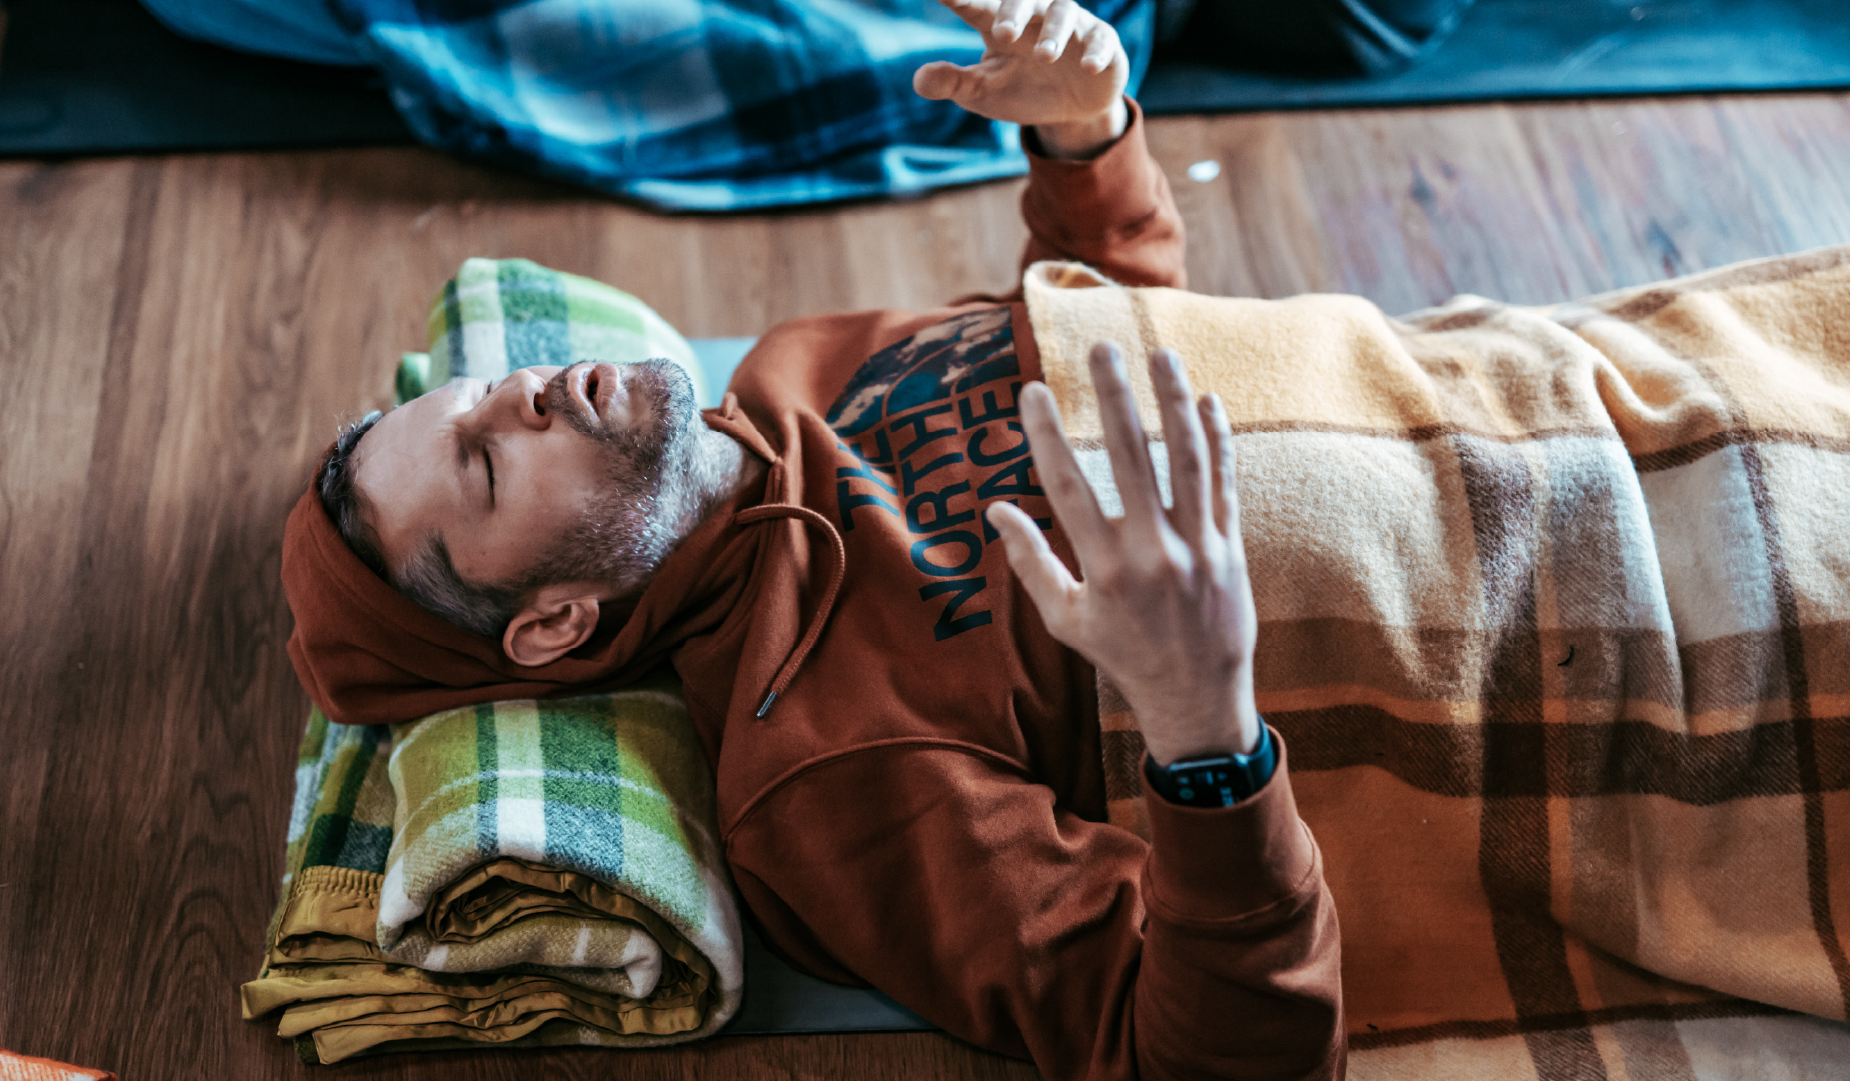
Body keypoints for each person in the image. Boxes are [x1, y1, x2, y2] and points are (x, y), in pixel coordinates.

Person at [283, 1, 1345, 1078]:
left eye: (477, 394)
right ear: (555, 623)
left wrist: (1084, 142)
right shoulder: (821, 772)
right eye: (487, 463)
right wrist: (1209, 735)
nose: (524, 391)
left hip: (1488, 357)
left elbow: (1098, 345)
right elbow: (1218, 1058)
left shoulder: (791, 373)